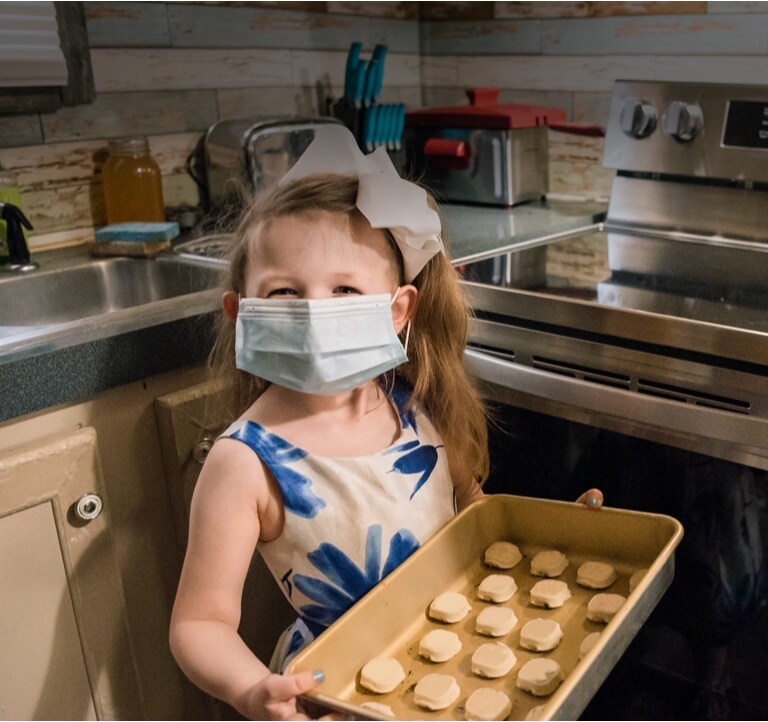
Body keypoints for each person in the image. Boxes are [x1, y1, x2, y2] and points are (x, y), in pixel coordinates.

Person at [169, 126, 603, 720]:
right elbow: (200, 622)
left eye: (345, 289)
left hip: (460, 662)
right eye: (286, 293)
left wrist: (558, 538)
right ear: (242, 313)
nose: (316, 313)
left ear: (397, 311)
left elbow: (471, 513)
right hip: (342, 698)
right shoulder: (243, 463)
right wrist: (249, 688)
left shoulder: (413, 403)